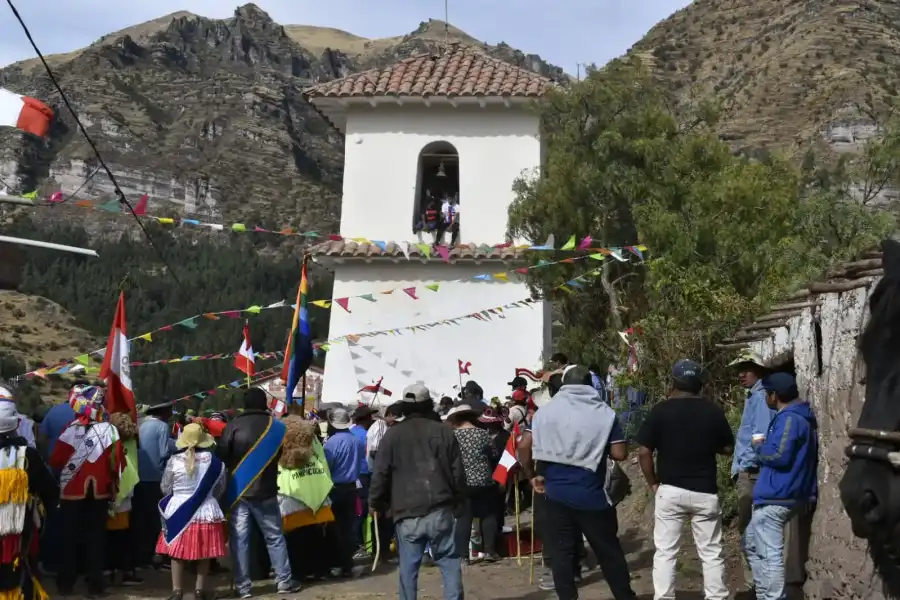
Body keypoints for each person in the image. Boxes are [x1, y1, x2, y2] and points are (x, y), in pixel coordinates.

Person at [531, 365, 635, 600]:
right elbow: (619, 453)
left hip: (555, 495)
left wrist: (533, 473)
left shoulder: (545, 413)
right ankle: (624, 596)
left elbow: (527, 445)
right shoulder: (603, 413)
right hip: (592, 495)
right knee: (609, 551)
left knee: (562, 554)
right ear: (589, 384)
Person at [635, 359, 734, 600]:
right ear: (699, 384)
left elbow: (643, 451)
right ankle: (716, 597)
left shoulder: (660, 411)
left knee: (666, 552)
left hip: (669, 490)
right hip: (705, 491)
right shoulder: (712, 410)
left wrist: (653, 483)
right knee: (711, 552)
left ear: (674, 382)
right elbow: (729, 448)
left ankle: (665, 597)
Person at [370, 384, 466, 600]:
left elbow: (380, 474)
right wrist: (459, 500)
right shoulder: (443, 431)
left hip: (406, 511)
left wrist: (375, 502)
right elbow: (457, 473)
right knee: (449, 563)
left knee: (408, 568)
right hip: (440, 507)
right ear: (428, 404)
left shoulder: (392, 436)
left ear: (404, 407)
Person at [218, 388, 298, 598]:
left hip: (240, 491)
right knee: (275, 538)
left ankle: (244, 588)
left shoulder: (233, 425)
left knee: (240, 540)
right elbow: (280, 456)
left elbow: (222, 455)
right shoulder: (277, 427)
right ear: (264, 403)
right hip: (267, 490)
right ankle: (284, 581)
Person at [746, 373, 818, 600]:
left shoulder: (790, 419)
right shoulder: (794, 417)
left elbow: (779, 455)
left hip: (778, 496)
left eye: (767, 393)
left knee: (769, 556)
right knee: (751, 544)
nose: (766, 398)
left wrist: (759, 447)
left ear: (774, 395)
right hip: (779, 495)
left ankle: (773, 597)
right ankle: (764, 594)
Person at [49, 385, 124, 597]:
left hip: (72, 490)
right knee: (96, 539)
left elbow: (56, 460)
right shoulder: (109, 431)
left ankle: (65, 585)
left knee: (69, 538)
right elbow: (119, 463)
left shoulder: (69, 430)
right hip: (100, 491)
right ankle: (95, 586)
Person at [155, 423, 227, 600]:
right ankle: (199, 590)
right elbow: (220, 487)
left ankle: (177, 590)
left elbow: (165, 487)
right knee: (205, 552)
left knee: (176, 551)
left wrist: (179, 494)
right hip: (207, 509)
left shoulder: (174, 461)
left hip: (179, 508)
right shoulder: (216, 463)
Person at [0, 400, 57, 600]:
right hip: (20, 527)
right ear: (16, 425)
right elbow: (49, 490)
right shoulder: (28, 455)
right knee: (21, 565)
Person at [728, 351, 775, 590]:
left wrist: (751, 464)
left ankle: (757, 585)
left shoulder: (760, 397)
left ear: (759, 370)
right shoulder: (753, 396)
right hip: (748, 469)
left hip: (753, 472)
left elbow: (760, 435)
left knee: (750, 530)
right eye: (739, 370)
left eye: (746, 369)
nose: (741, 375)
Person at [277, 416, 337, 580]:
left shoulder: (280, 446)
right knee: (317, 537)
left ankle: (299, 572)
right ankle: (319, 570)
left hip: (292, 498)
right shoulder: (314, 444)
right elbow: (324, 464)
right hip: (317, 497)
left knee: (295, 540)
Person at [444, 404, 501, 562]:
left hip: (462, 482)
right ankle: (489, 551)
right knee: (488, 515)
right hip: (484, 480)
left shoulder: (452, 436)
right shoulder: (483, 434)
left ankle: (462, 555)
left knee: (464, 518)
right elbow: (494, 454)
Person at [134, 401, 177, 568]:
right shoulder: (162, 427)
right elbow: (164, 452)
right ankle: (157, 555)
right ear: (164, 412)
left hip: (139, 476)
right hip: (156, 477)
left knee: (141, 519)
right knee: (156, 519)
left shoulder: (143, 425)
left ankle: (141, 556)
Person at [323, 407, 364, 578]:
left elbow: (327, 467)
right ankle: (347, 563)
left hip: (335, 489)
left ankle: (337, 563)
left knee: (334, 529)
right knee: (348, 528)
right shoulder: (357, 441)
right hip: (352, 488)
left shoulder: (331, 443)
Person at [106, 412, 142, 587]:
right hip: (127, 491)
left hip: (110, 490)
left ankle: (109, 570)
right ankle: (126, 571)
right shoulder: (133, 441)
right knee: (124, 536)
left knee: (108, 536)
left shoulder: (110, 441)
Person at [350, 405, 378, 557]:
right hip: (364, 475)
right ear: (366, 419)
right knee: (362, 512)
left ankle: (357, 544)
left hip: (353, 477)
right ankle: (358, 545)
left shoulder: (350, 432)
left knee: (356, 512)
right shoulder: (366, 435)